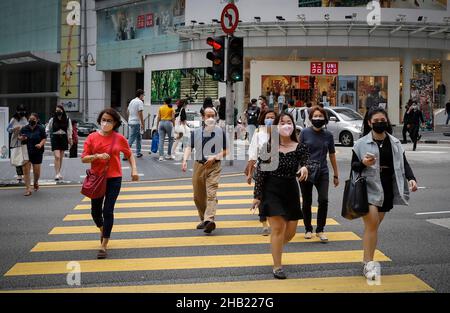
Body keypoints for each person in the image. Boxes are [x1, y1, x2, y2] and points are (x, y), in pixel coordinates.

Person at [351, 107, 417, 281]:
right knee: (372, 224)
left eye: (383, 120)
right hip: (368, 187)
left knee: (372, 227)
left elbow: (403, 162)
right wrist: (363, 163)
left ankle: (366, 259)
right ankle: (369, 264)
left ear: (387, 122)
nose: (380, 123)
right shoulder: (361, 144)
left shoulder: (394, 142)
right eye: (376, 121)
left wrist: (411, 178)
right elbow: (354, 167)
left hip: (386, 188)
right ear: (369, 123)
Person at [251, 112, 309, 279]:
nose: (286, 125)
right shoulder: (268, 147)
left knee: (289, 232)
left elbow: (307, 161)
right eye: (282, 122)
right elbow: (261, 173)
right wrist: (257, 196)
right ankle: (277, 266)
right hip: (271, 190)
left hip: (290, 189)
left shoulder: (300, 147)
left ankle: (275, 246)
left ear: (293, 125)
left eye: (289, 122)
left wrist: (305, 167)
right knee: (277, 229)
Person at [81, 108, 139, 259]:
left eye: (109, 121)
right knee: (95, 212)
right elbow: (84, 158)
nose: (105, 123)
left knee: (108, 210)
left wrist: (134, 170)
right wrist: (97, 156)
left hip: (114, 178)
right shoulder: (92, 137)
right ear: (99, 121)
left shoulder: (119, 138)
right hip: (96, 179)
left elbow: (129, 154)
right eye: (103, 120)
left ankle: (104, 245)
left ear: (115, 123)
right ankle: (102, 229)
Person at [182, 107, 228, 234]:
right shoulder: (195, 132)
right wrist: (185, 160)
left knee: (211, 193)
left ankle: (209, 220)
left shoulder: (220, 132)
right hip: (199, 165)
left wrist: (215, 157)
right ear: (203, 117)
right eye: (208, 116)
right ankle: (204, 219)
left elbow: (226, 150)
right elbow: (188, 147)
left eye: (213, 115)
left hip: (214, 166)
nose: (210, 118)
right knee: (198, 197)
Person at [299, 106, 339, 242]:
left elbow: (332, 155)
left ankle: (320, 229)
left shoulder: (328, 135)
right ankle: (308, 229)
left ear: (325, 119)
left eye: (320, 116)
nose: (317, 119)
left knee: (323, 200)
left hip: (323, 171)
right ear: (310, 118)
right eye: (315, 116)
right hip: (306, 171)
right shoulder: (304, 133)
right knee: (307, 201)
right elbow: (299, 152)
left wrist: (336, 174)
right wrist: (301, 168)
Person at [245, 109, 278, 236]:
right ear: (263, 119)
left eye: (272, 117)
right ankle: (264, 222)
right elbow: (253, 153)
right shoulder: (259, 133)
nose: (270, 119)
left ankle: (275, 220)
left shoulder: (280, 132)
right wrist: (249, 173)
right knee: (261, 195)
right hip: (262, 168)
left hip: (277, 169)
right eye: (267, 117)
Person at [18, 113, 46, 196]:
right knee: (26, 171)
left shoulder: (41, 128)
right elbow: (19, 137)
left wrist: (40, 144)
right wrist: (21, 138)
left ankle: (35, 182)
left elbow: (44, 138)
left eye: (33, 119)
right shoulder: (24, 128)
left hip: (37, 151)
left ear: (37, 120)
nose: (31, 120)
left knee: (36, 172)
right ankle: (28, 189)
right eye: (30, 119)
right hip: (26, 151)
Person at [46, 105, 73, 181]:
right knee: (57, 156)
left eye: (59, 110)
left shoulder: (67, 119)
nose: (58, 112)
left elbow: (69, 129)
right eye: (56, 110)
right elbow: (48, 127)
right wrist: (46, 133)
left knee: (60, 157)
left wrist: (70, 139)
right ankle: (57, 173)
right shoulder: (52, 119)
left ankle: (59, 172)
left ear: (62, 111)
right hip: (55, 138)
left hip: (63, 138)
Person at [7, 104, 29, 182]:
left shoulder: (25, 119)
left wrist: (24, 135)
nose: (22, 112)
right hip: (15, 140)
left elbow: (27, 129)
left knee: (23, 157)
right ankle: (19, 175)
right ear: (17, 111)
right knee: (17, 157)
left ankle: (24, 174)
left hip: (23, 140)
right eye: (20, 111)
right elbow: (8, 129)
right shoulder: (13, 119)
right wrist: (14, 129)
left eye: (23, 111)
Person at [127, 89, 145, 159]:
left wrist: (129, 119)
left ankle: (138, 152)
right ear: (141, 95)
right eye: (143, 95)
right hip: (136, 122)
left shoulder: (132, 101)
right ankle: (126, 154)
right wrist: (142, 123)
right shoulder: (140, 102)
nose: (143, 96)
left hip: (130, 121)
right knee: (131, 138)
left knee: (138, 137)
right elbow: (140, 113)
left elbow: (127, 111)